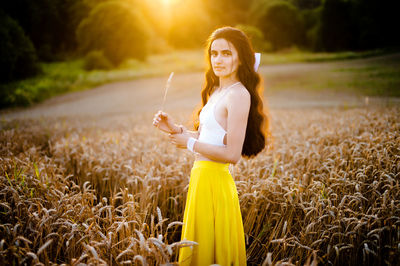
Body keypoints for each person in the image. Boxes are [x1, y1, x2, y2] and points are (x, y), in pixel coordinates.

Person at [152, 26, 269, 266]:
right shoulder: (217, 90)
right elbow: (211, 137)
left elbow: (232, 154)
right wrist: (177, 130)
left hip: (216, 183)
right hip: (201, 180)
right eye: (214, 53)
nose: (218, 59)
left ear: (241, 57)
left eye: (226, 53)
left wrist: (190, 143)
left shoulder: (239, 95)